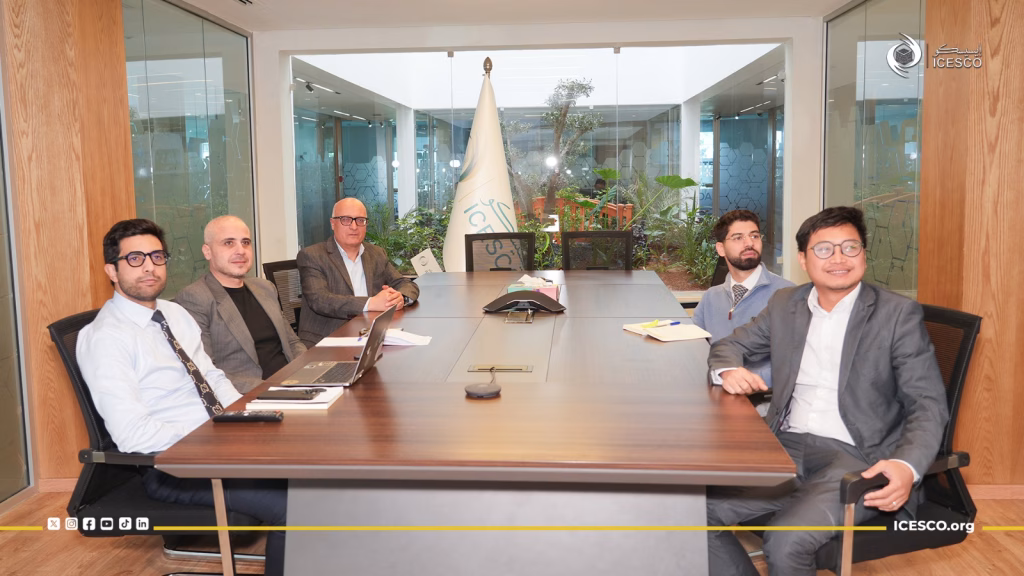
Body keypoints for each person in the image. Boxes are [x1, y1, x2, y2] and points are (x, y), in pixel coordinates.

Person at [705, 206, 948, 576]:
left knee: (786, 541)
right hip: (786, 449)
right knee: (697, 512)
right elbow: (729, 345)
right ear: (803, 259)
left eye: (850, 247)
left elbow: (927, 404)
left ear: (864, 253)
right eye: (824, 249)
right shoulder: (785, 304)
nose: (838, 258)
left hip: (858, 458)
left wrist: (905, 465)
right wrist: (730, 370)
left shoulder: (897, 314)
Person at [77, 219, 287, 576]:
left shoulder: (173, 313)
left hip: (219, 442)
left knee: (321, 474)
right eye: (135, 259)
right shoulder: (105, 338)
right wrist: (212, 442)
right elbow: (133, 435)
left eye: (157, 257)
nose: (149, 267)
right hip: (174, 466)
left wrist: (242, 418)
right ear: (111, 270)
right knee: (293, 503)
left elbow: (212, 376)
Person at [176, 215, 306, 393]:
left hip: (294, 383)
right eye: (229, 243)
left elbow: (292, 342)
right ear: (207, 252)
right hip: (250, 395)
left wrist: (310, 372)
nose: (241, 251)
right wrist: (274, 389)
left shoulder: (265, 288)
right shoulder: (195, 298)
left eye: (245, 242)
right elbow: (204, 371)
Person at [296, 197, 419, 347]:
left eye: (360, 220)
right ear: (333, 223)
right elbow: (320, 300)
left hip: (371, 334)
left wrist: (400, 298)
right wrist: (371, 303)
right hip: (328, 340)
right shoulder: (312, 256)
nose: (354, 227)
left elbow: (405, 283)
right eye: (346, 220)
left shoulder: (376, 253)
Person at [692, 209, 792, 390]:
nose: (749, 243)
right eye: (738, 238)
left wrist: (744, 380)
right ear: (720, 249)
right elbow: (694, 348)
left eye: (754, 236)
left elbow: (794, 362)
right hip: (716, 391)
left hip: (762, 397)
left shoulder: (787, 295)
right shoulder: (711, 297)